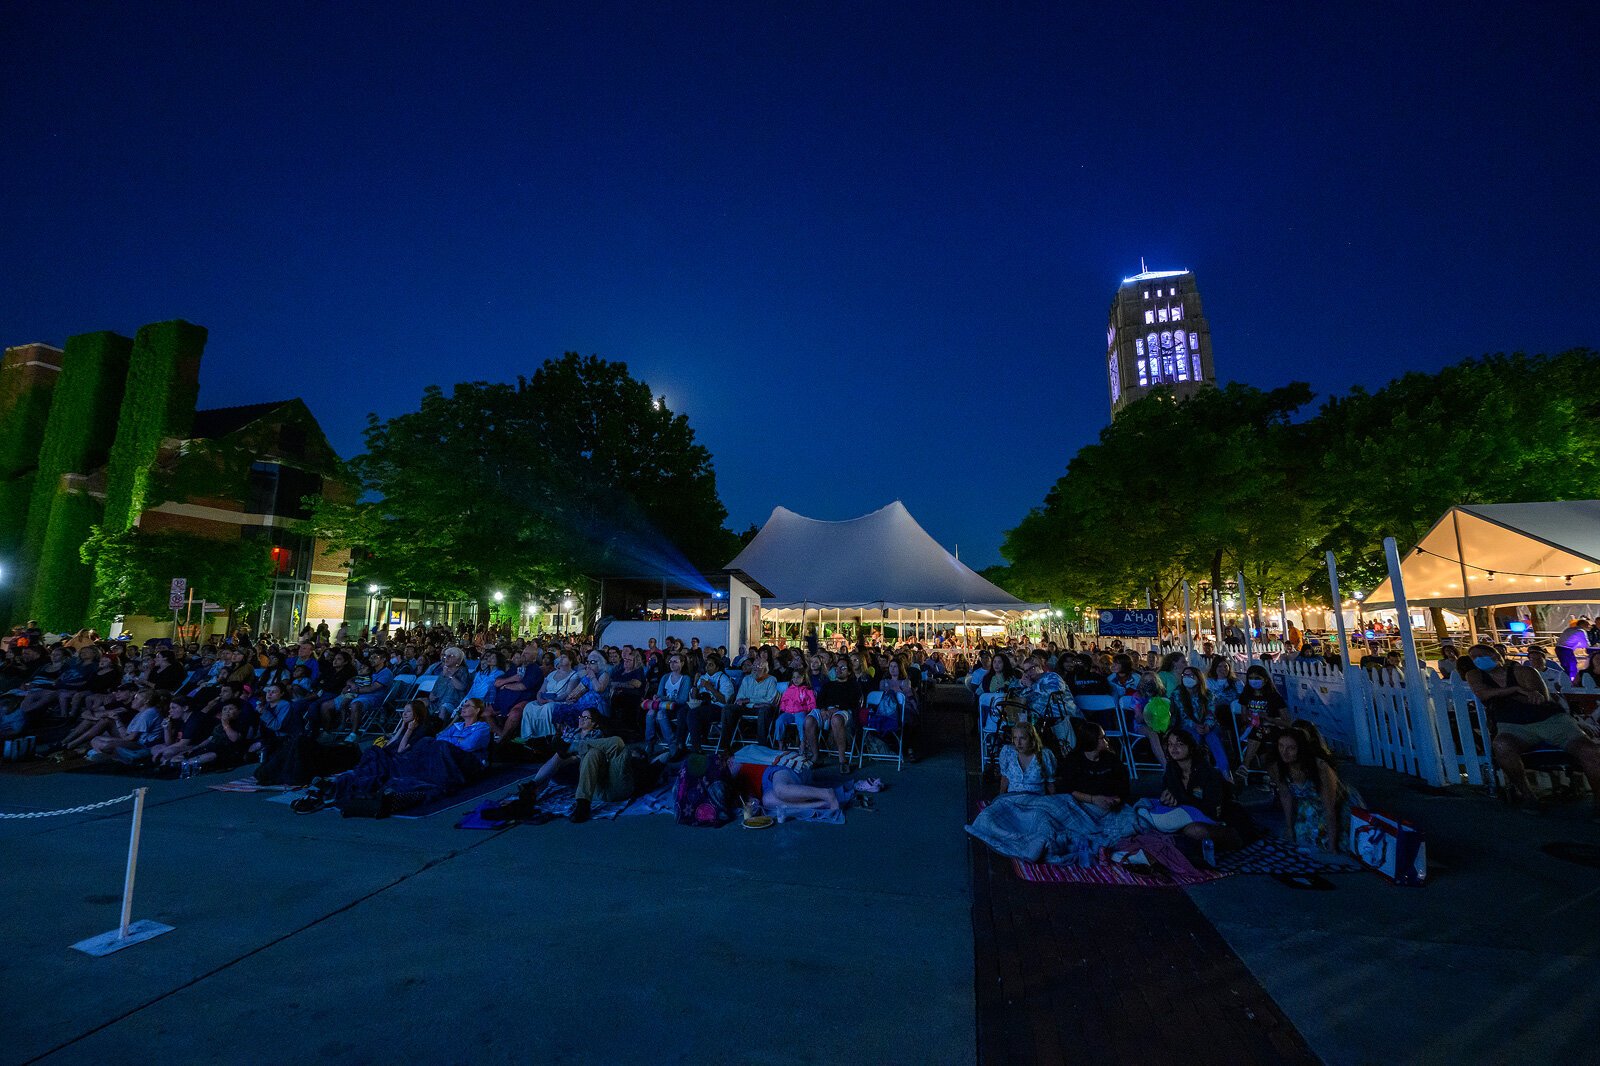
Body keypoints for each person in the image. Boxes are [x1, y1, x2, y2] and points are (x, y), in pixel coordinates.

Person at [1463, 643, 1600, 817]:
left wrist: (1505, 693)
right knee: (1502, 746)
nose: (1477, 660)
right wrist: (1516, 689)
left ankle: (1598, 802)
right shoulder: (1475, 675)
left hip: (1549, 720)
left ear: (1497, 656)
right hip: (1512, 725)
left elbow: (1538, 699)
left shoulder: (1524, 672)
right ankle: (1528, 796)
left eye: (1482, 655)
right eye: (1473, 657)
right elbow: (1484, 694)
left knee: (1588, 750)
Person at [1268, 725, 1361, 854]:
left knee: (1330, 843)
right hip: (1308, 804)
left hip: (1336, 803)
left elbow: (1330, 809)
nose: (1284, 752)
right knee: (1301, 837)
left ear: (1300, 750)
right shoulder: (1278, 767)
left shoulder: (1320, 768)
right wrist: (1289, 827)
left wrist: (1332, 847)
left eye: (1291, 748)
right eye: (1281, 746)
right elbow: (1285, 796)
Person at [1157, 729, 1243, 861]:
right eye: (1170, 744)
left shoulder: (1206, 772)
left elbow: (1213, 810)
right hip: (1185, 817)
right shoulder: (1172, 768)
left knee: (1194, 830)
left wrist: (1180, 800)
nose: (1173, 748)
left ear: (1190, 747)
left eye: (1179, 744)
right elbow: (1166, 791)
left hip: (1217, 820)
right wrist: (1166, 797)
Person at [1057, 720, 1129, 809]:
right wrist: (1093, 799)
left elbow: (1124, 785)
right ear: (1092, 740)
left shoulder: (1111, 758)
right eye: (1103, 738)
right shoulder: (1074, 760)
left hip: (1109, 804)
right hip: (1080, 805)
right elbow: (1067, 788)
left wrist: (1115, 800)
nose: (1107, 740)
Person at [646, 653, 693, 761]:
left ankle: (672, 746)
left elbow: (682, 699)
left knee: (660, 714)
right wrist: (658, 697)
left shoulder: (685, 678)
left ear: (682, 663)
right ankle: (650, 744)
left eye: (675, 662)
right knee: (650, 713)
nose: (672, 664)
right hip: (663, 705)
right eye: (671, 661)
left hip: (677, 707)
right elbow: (659, 694)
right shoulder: (665, 677)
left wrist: (665, 698)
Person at [730, 659, 779, 749]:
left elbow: (769, 700)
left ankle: (762, 746)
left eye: (759, 666)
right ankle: (726, 745)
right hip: (748, 708)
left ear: (765, 669)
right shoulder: (746, 679)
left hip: (763, 710)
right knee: (728, 708)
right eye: (754, 666)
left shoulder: (771, 680)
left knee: (764, 710)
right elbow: (739, 699)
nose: (756, 668)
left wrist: (748, 700)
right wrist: (752, 704)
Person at [998, 722, 1056, 795]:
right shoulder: (1008, 752)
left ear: (1032, 739)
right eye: (1015, 738)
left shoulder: (1045, 755)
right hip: (1013, 799)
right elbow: (1004, 778)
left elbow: (1050, 782)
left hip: (1036, 800)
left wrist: (1054, 800)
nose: (1018, 743)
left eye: (1023, 738)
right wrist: (1000, 797)